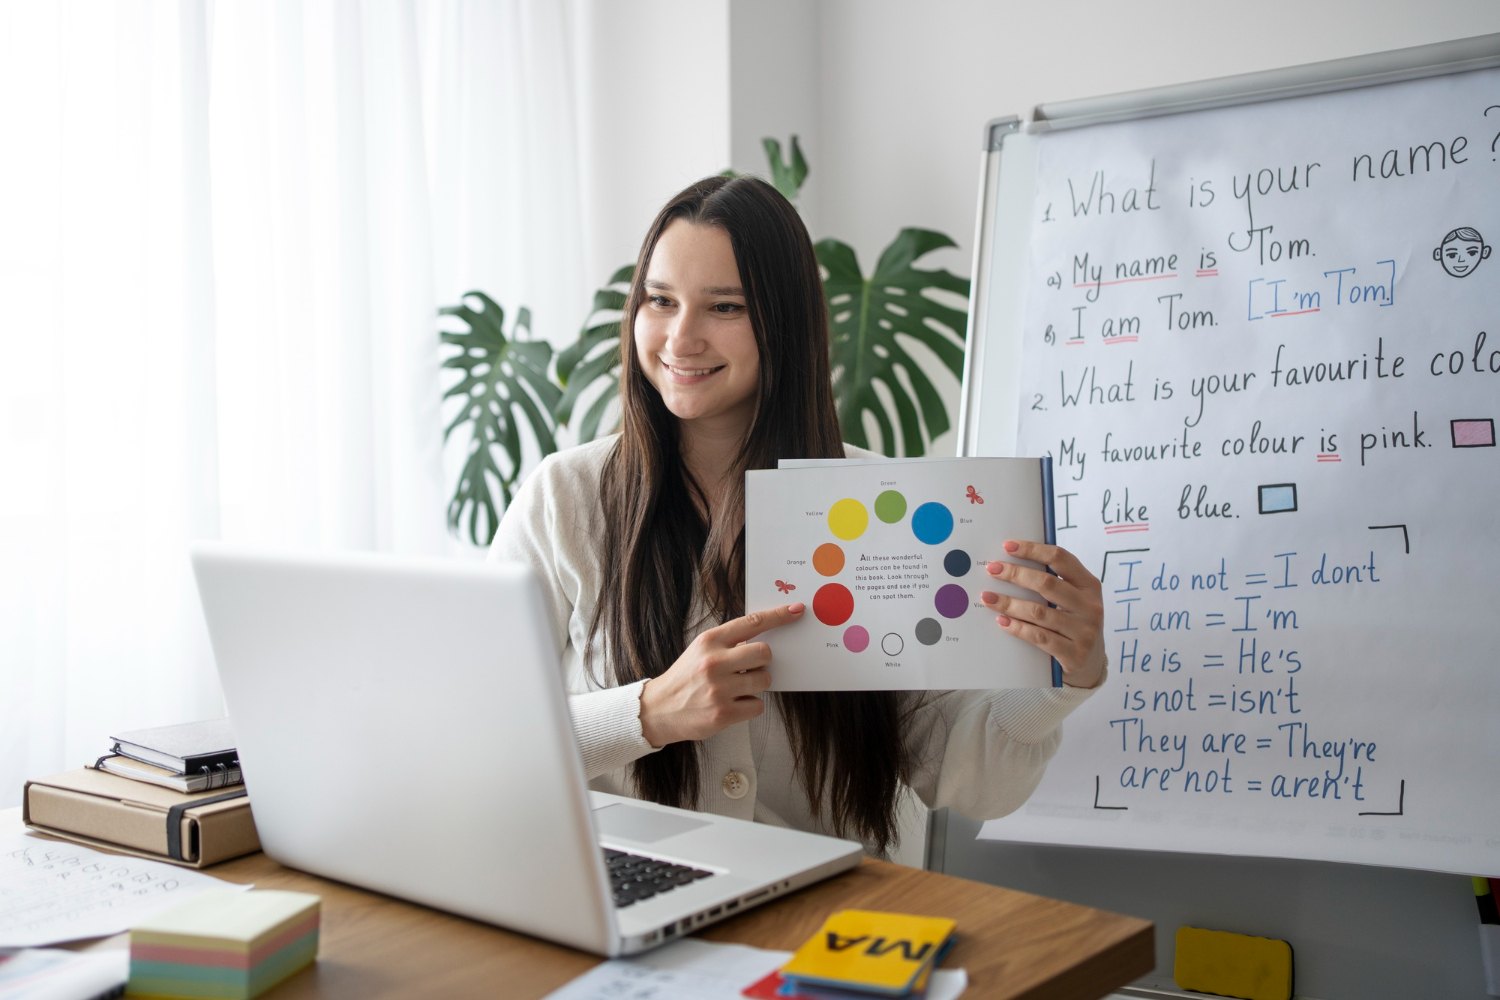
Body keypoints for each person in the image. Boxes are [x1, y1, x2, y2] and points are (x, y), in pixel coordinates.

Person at [491, 175, 1106, 857]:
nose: (681, 337)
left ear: (783, 324)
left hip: (821, 917)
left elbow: (972, 782)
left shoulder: (874, 504)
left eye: (723, 307)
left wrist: (1064, 676)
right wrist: (649, 713)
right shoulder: (564, 499)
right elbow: (481, 742)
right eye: (660, 301)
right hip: (629, 901)